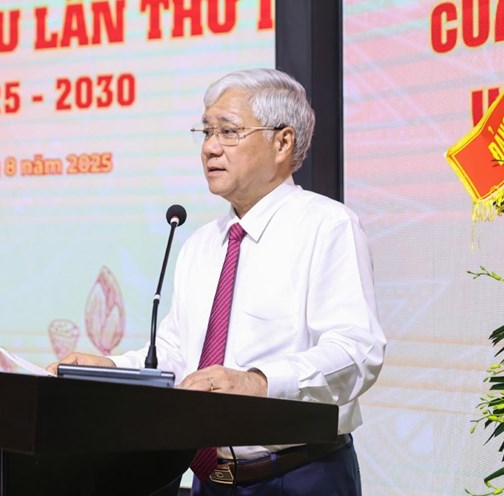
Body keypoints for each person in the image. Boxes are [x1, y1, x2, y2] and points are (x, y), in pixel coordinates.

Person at [48, 68, 386, 495]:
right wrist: (111, 371)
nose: (210, 147)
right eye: (206, 132)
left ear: (282, 142)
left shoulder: (327, 226)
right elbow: (178, 355)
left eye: (228, 132)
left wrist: (259, 383)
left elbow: (357, 353)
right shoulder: (202, 243)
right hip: (210, 481)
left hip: (298, 476)